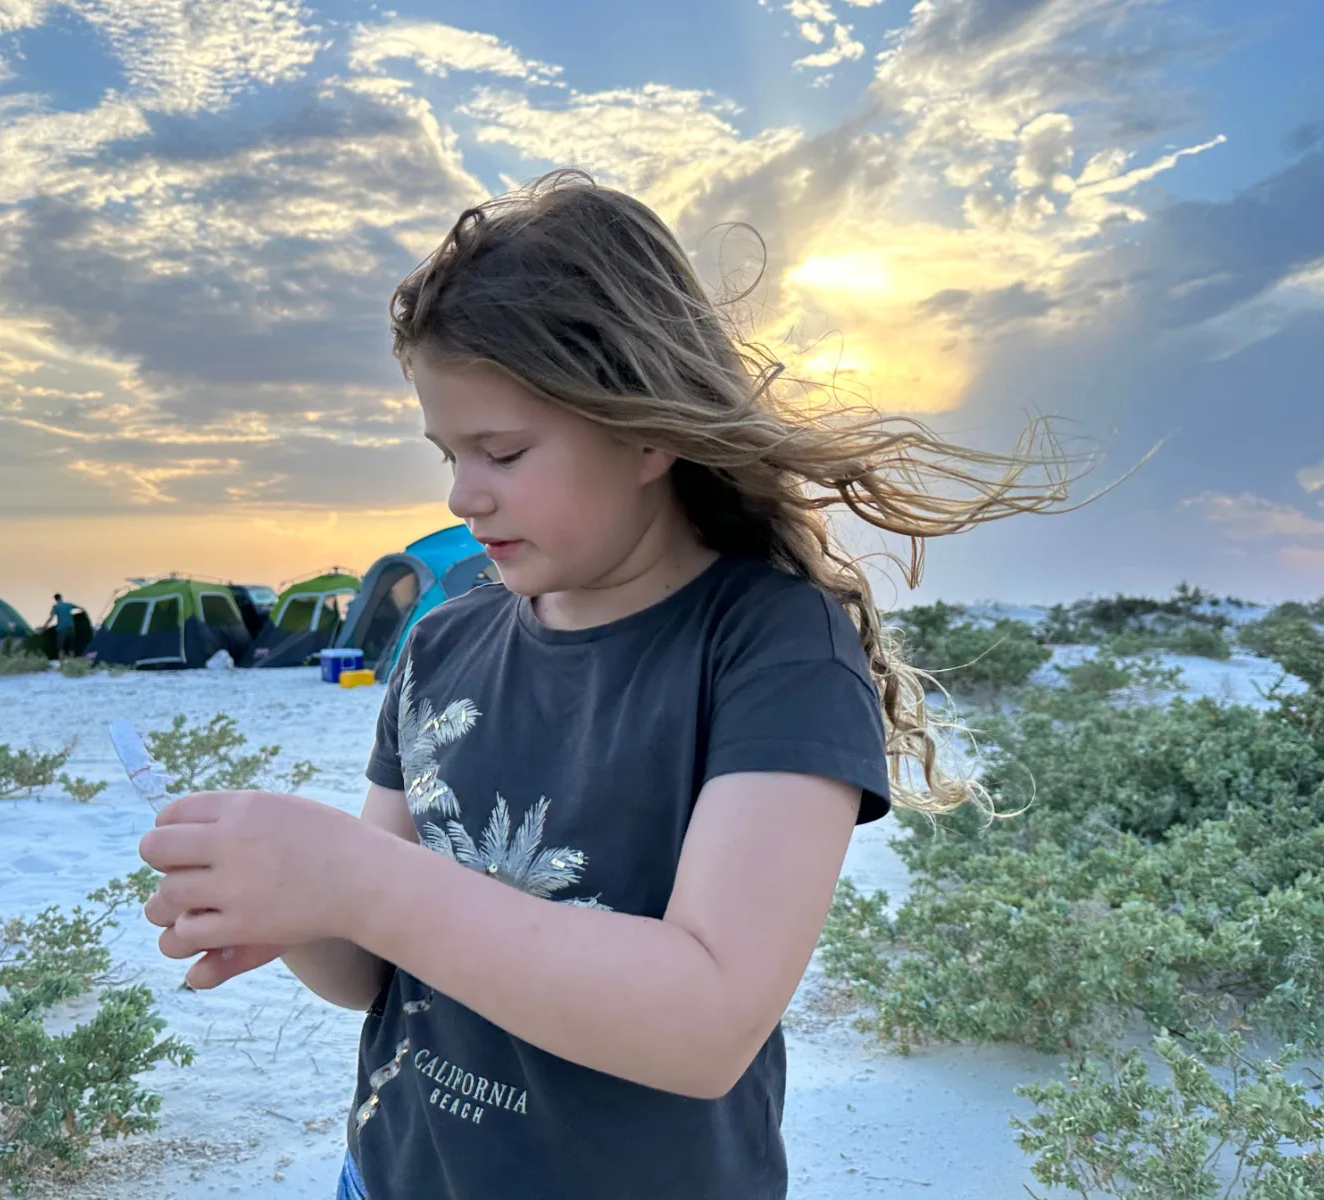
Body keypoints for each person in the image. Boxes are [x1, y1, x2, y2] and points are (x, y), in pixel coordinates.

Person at [137, 170, 1072, 1200]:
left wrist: (361, 880)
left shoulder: (771, 647)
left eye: (502, 450)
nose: (462, 493)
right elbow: (373, 974)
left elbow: (707, 1023)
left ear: (647, 431)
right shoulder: (444, 643)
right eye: (448, 452)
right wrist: (302, 906)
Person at [48, 593, 78, 660]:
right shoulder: (68, 605)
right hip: (71, 628)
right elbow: (80, 608)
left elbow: (51, 617)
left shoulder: (56, 607)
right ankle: (72, 663)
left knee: (60, 647)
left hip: (61, 629)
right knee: (71, 647)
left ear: (55, 599)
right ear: (61, 597)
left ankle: (61, 664)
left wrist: (44, 627)